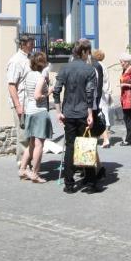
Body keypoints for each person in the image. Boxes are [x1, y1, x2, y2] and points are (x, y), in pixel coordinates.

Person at [53, 42, 97, 193]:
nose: (89, 54)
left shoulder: (65, 68)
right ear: (84, 52)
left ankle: (69, 184)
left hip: (69, 112)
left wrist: (58, 111)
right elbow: (90, 93)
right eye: (88, 52)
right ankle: (90, 183)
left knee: (70, 147)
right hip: (83, 112)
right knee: (86, 146)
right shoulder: (89, 69)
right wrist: (90, 113)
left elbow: (56, 90)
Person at [18, 51, 52, 183]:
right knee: (39, 145)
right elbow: (37, 96)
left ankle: (22, 169)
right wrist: (48, 92)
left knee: (31, 143)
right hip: (39, 111)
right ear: (42, 63)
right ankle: (35, 173)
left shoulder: (29, 75)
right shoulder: (40, 76)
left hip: (30, 111)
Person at [7, 34, 34, 173]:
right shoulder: (16, 61)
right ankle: (22, 165)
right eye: (31, 43)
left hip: (30, 103)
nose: (33, 45)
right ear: (23, 44)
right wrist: (18, 106)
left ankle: (28, 162)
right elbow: (12, 85)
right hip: (21, 103)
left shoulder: (29, 59)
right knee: (23, 135)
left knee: (30, 134)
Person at [91, 48, 112, 149]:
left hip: (101, 93)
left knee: (101, 115)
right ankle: (103, 138)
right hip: (105, 92)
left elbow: (99, 81)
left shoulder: (97, 66)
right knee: (103, 115)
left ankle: (105, 138)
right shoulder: (104, 65)